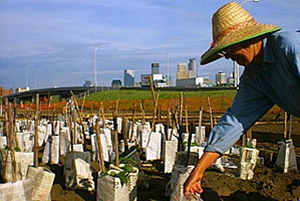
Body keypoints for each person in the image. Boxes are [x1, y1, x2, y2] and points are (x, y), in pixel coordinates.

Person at [184, 1, 300, 198]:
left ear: (248, 40)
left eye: (229, 49)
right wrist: (198, 171)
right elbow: (234, 121)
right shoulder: (254, 77)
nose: (228, 57)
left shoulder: (290, 47)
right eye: (224, 52)